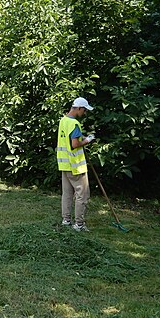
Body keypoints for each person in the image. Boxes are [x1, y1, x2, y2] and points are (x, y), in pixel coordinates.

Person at [57, 97, 95, 231]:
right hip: (76, 166)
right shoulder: (74, 124)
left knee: (67, 193)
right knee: (82, 194)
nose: (84, 113)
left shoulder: (63, 121)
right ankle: (79, 224)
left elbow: (68, 141)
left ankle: (66, 220)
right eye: (84, 110)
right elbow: (74, 144)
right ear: (78, 108)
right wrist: (88, 140)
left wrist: (81, 138)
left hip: (65, 164)